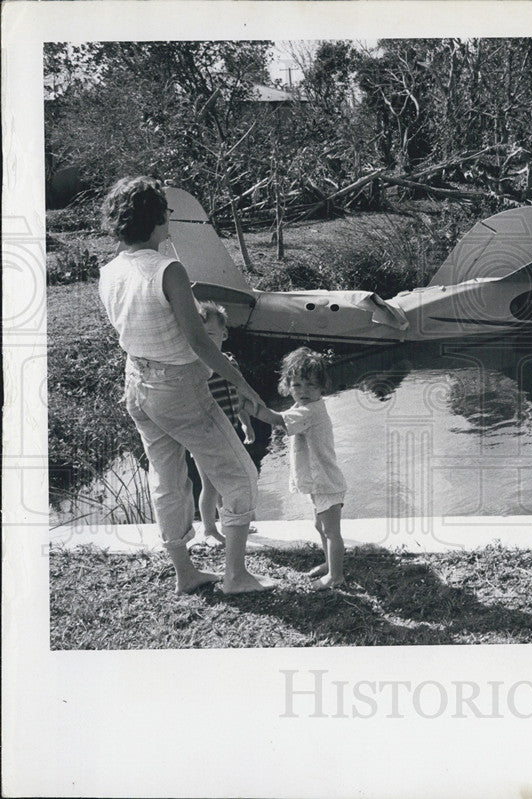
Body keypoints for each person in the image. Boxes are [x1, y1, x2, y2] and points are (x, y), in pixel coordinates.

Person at [98, 175, 281, 594]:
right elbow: (200, 343)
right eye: (166, 213)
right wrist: (249, 391)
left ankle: (186, 574)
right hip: (177, 386)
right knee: (240, 476)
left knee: (167, 481)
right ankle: (236, 577)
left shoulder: (108, 272)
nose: (168, 221)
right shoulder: (168, 270)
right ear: (156, 219)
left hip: (137, 384)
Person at [277, 347, 347, 590]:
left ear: (321, 387)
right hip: (319, 482)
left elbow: (277, 420)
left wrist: (253, 408)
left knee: (331, 532)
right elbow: (283, 416)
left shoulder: (311, 411)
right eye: (297, 385)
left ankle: (336, 576)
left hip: (327, 482)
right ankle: (329, 564)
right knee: (320, 527)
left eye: (310, 385)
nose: (303, 391)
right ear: (288, 386)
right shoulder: (302, 408)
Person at [194, 300, 259, 546]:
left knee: (230, 481)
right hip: (204, 434)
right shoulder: (196, 366)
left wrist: (246, 423)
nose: (206, 341)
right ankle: (209, 529)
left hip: (229, 431)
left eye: (211, 334)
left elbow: (237, 399)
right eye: (201, 335)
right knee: (209, 484)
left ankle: (231, 522)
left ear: (224, 333)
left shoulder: (228, 363)